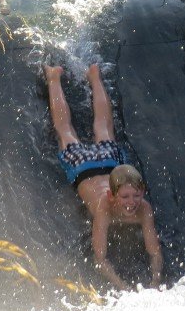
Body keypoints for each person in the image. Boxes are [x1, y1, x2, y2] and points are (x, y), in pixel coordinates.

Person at [44, 63, 163, 290]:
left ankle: (95, 75)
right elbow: (100, 258)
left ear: (142, 192)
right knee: (65, 131)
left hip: (110, 164)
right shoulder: (103, 208)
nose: (131, 203)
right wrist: (123, 287)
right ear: (111, 195)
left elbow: (154, 252)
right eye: (126, 197)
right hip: (83, 167)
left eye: (135, 196)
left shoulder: (144, 208)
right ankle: (53, 78)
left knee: (104, 127)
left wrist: (156, 281)